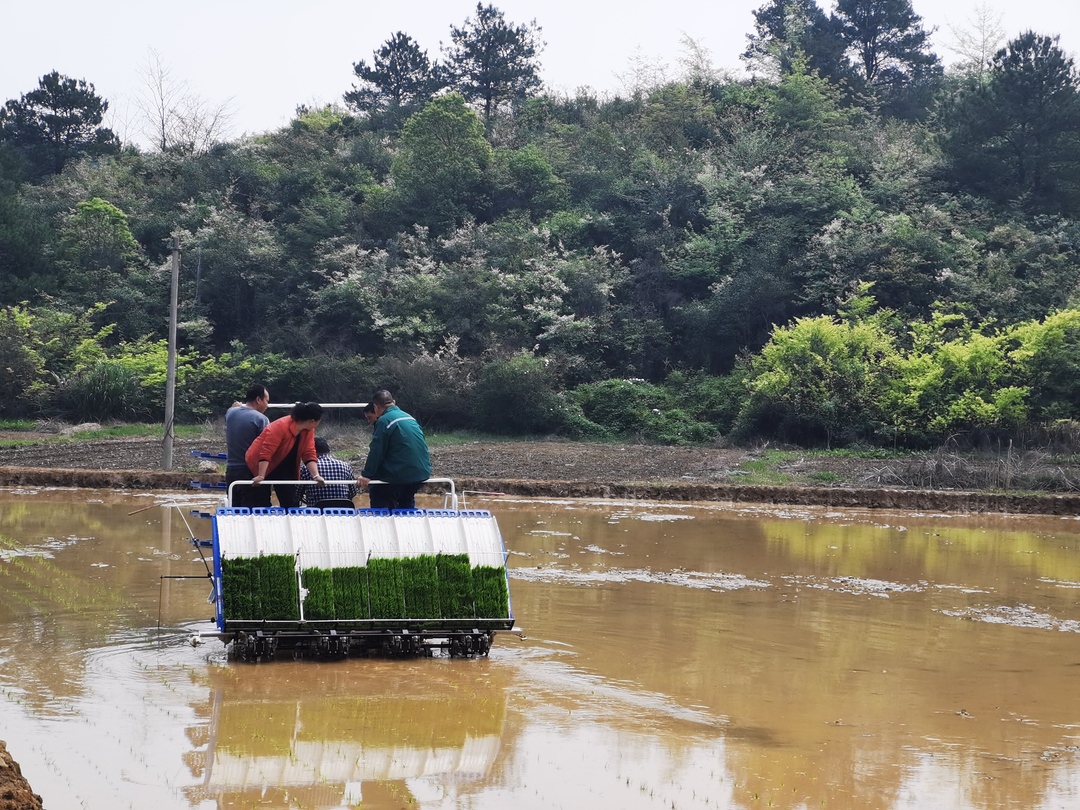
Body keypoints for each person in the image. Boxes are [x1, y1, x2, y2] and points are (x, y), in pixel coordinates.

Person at [358, 389, 431, 511]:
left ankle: (381, 523)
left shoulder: (384, 420)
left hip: (400, 475)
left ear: (376, 407)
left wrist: (367, 474)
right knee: (406, 498)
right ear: (394, 402)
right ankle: (406, 521)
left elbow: (376, 450)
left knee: (377, 489)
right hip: (421, 474)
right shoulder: (410, 418)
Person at [245, 401, 326, 509]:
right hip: (260, 463)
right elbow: (266, 452)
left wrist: (316, 475)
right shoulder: (280, 426)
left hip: (286, 466)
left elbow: (309, 453)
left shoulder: (309, 430)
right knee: (261, 502)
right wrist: (261, 476)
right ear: (312, 421)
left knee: (291, 502)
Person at [224, 384, 270, 508]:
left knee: (236, 512)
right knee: (255, 512)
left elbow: (234, 409)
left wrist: (239, 406)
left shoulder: (230, 413)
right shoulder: (262, 419)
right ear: (258, 399)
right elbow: (265, 449)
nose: (267, 405)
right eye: (266, 401)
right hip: (250, 471)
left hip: (231, 471)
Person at [300, 437, 359, 507]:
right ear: (328, 450)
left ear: (312, 451)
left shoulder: (306, 468)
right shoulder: (346, 466)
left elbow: (297, 493)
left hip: (316, 513)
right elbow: (353, 492)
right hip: (342, 511)